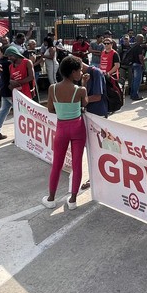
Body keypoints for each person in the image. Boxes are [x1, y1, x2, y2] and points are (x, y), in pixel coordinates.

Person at [44, 55, 89, 210]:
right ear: (72, 72)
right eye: (80, 71)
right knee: (77, 165)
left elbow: (50, 109)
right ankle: (73, 200)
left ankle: (50, 198)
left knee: (57, 164)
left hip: (61, 129)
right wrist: (84, 85)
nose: (81, 73)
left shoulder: (53, 88)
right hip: (78, 128)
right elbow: (85, 104)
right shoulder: (80, 90)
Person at [0, 47, 16, 140]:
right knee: (18, 112)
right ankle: (19, 135)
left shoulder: (1, 60)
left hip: (3, 89)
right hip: (9, 89)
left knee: (3, 111)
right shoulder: (8, 62)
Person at [123, 34, 145, 100]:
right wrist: (143, 65)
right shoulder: (139, 47)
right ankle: (135, 95)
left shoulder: (133, 46)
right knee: (137, 81)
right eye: (142, 39)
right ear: (140, 39)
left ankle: (132, 94)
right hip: (138, 64)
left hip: (132, 64)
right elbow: (140, 57)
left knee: (133, 81)